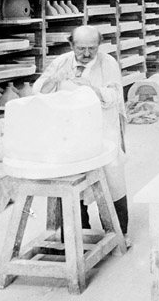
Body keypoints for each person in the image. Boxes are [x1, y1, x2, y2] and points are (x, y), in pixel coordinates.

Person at [33, 25, 131, 248]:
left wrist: (92, 88)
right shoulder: (62, 61)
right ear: (71, 45)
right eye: (81, 49)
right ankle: (80, 230)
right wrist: (53, 79)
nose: (86, 54)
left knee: (112, 177)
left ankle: (120, 232)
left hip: (102, 129)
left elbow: (115, 96)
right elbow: (38, 91)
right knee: (73, 178)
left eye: (92, 48)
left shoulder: (108, 63)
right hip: (72, 132)